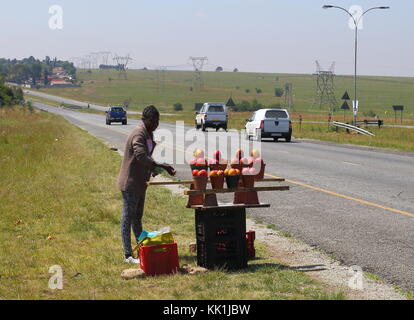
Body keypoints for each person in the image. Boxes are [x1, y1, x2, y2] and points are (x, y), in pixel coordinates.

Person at [117, 105, 176, 264]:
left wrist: (154, 169)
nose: (157, 124)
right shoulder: (139, 133)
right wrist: (160, 166)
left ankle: (142, 249)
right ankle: (128, 255)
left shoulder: (148, 133)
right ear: (147, 119)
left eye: (158, 121)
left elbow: (146, 159)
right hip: (130, 183)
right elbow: (141, 156)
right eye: (155, 121)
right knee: (127, 218)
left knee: (137, 218)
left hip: (140, 183)